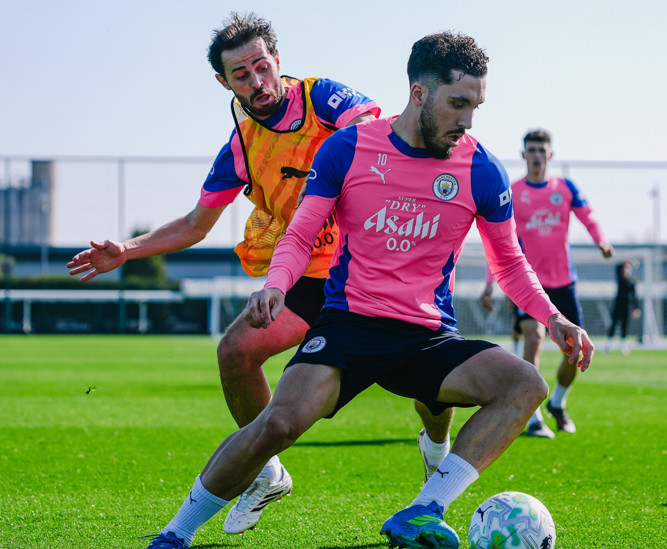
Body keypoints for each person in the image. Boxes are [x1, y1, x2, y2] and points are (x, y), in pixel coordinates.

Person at [141, 31, 594, 549]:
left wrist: (554, 317)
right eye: (458, 104)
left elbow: (510, 262)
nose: (468, 120)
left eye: (476, 106)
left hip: (429, 337)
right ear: (419, 94)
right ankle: (175, 534)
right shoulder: (349, 148)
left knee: (526, 384)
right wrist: (276, 286)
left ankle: (425, 509)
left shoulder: (481, 168)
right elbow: (301, 233)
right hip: (350, 327)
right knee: (276, 426)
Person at [65, 12, 456, 536]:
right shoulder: (243, 146)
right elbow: (195, 223)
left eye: (262, 67)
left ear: (277, 63)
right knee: (236, 352)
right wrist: (128, 249)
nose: (257, 81)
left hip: (377, 264)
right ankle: (267, 471)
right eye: (242, 74)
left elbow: (373, 133)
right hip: (312, 275)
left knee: (430, 389)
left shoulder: (324, 100)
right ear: (224, 83)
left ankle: (435, 450)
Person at [480, 128, 613, 438]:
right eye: (532, 150)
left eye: (543, 150)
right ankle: (532, 414)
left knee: (575, 348)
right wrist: (490, 283)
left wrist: (601, 240)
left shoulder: (564, 188)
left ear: (550, 155)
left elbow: (588, 215)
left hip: (563, 282)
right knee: (533, 337)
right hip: (527, 284)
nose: (537, 155)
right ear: (523, 154)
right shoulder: (511, 192)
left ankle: (557, 402)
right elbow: (497, 241)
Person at [606, 260, 640, 354]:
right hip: (617, 306)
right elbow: (617, 267)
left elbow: (634, 297)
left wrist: (635, 308)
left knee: (624, 326)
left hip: (627, 307)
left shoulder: (632, 283)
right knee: (613, 325)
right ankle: (609, 344)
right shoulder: (620, 280)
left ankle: (623, 345)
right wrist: (628, 262)